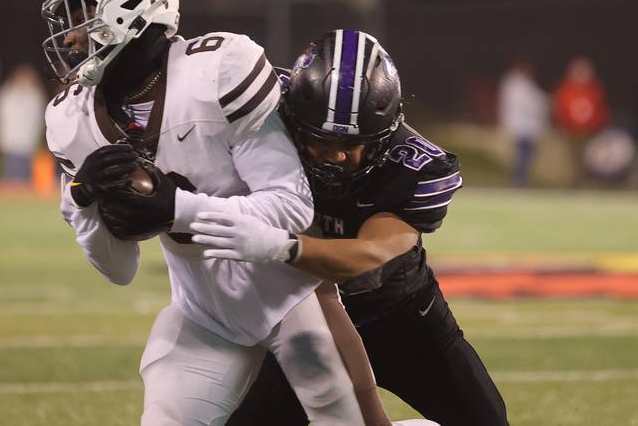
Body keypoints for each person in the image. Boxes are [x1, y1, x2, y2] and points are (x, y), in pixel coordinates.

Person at [41, 0, 366, 425]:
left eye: (81, 14)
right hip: (203, 311)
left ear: (132, 2)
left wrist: (179, 210)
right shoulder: (73, 118)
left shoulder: (218, 68)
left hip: (292, 297)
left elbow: (291, 208)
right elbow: (118, 270)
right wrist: (82, 201)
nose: (69, 38)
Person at [190, 30, 510, 426]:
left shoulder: (418, 167)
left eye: (353, 145)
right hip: (305, 323)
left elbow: (366, 256)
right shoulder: (265, 101)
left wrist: (278, 245)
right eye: (320, 141)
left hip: (403, 320)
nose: (335, 155)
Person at [553, 56, 609, 183]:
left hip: (591, 130)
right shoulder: (565, 89)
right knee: (574, 157)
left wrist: (601, 124)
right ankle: (577, 180)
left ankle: (591, 179)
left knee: (592, 156)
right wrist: (561, 124)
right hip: (572, 130)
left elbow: (601, 108)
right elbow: (560, 108)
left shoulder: (594, 89)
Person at [0, 63, 47, 182]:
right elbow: (1, 116)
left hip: (29, 146)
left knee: (28, 181)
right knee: (13, 180)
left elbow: (39, 119)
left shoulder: (35, 95)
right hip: (12, 145)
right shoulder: (8, 94)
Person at [498, 59, 548, 186]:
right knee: (523, 155)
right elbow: (529, 104)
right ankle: (517, 180)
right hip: (522, 126)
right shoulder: (517, 85)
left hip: (524, 126)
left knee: (524, 155)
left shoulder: (519, 84)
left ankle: (519, 179)